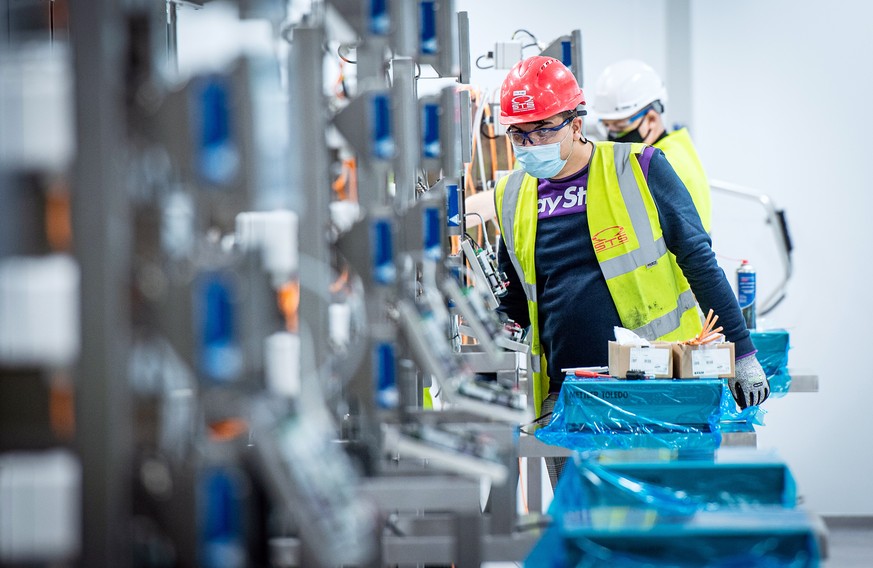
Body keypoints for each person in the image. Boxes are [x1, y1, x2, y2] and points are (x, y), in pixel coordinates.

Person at [493, 56, 768, 485]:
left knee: (667, 524)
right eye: (520, 134)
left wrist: (744, 353)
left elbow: (700, 260)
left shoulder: (640, 168)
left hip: (660, 388)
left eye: (545, 129)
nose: (532, 144)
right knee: (586, 528)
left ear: (576, 123)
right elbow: (514, 301)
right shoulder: (510, 194)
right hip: (568, 399)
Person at [593, 59, 712, 232]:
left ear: (651, 119)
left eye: (619, 128)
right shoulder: (677, 145)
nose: (612, 136)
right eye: (607, 126)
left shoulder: (663, 164)